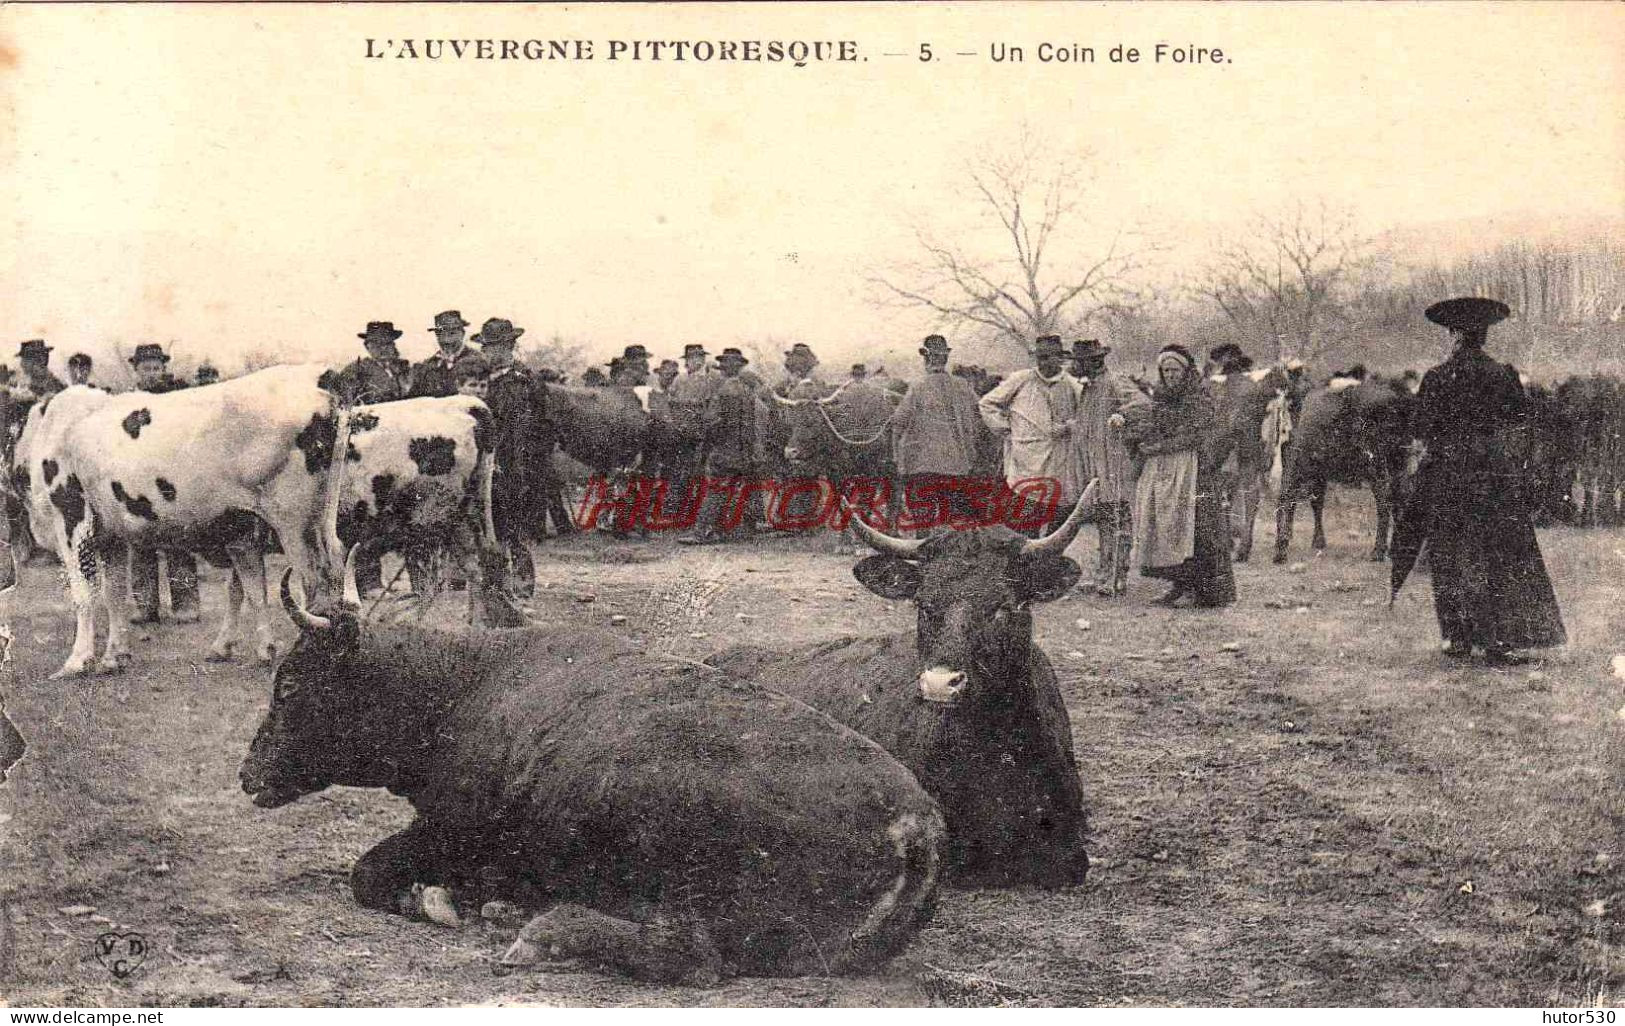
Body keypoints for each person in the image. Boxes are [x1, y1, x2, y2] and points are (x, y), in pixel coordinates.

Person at [1408, 297, 1565, 665]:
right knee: (1501, 551)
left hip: (1448, 474)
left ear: (1454, 334)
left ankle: (1457, 637)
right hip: (1493, 474)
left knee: (1449, 551)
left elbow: (1422, 429)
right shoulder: (1503, 375)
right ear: (1483, 335)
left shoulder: (1435, 378)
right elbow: (1520, 420)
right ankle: (1500, 639)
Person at [1123, 344, 1235, 608]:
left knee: (1195, 529)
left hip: (1194, 471)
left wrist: (1159, 447)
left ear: (1185, 371)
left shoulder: (1199, 396)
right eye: (1165, 371)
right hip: (1167, 469)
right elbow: (1155, 424)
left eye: (1175, 370)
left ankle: (1200, 590)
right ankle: (1177, 584)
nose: (1170, 375)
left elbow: (1197, 435)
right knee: (1168, 526)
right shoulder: (1160, 396)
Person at [977, 335, 1086, 535]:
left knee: (1057, 526)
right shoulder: (1021, 379)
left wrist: (1070, 426)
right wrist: (1006, 430)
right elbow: (986, 404)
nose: (1042, 362)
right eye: (1039, 357)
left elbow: (1086, 417)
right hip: (1025, 466)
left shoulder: (1071, 384)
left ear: (1059, 358)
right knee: (1023, 526)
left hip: (1058, 465)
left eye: (1047, 357)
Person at [126, 343, 200, 624]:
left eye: (157, 368)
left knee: (178, 540)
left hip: (171, 479)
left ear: (164, 369)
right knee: (141, 541)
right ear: (136, 370)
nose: (152, 373)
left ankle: (186, 604)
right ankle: (145, 606)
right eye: (146, 368)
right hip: (137, 479)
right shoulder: (127, 402)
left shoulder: (177, 398)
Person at [889, 334, 984, 529]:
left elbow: (898, 422)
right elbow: (980, 413)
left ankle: (926, 555)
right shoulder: (963, 385)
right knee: (955, 524)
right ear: (945, 358)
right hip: (958, 467)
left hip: (921, 468)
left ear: (926, 358)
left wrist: (897, 458)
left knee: (923, 524)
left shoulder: (917, 386)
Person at [475, 318, 540, 596]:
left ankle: (523, 581)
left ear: (510, 347)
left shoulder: (520, 381)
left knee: (513, 523)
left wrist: (505, 459)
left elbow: (522, 427)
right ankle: (496, 580)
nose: (491, 353)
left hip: (514, 460)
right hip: (488, 459)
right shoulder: (483, 380)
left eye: (497, 347)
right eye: (487, 348)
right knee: (490, 521)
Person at [1070, 338, 1138, 596]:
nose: (1076, 367)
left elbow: (1140, 405)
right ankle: (1105, 572)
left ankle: (1117, 575)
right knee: (1104, 518)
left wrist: (1123, 418)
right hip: (1096, 464)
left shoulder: (1115, 382)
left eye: (1080, 362)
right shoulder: (1090, 388)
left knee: (1117, 516)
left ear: (1093, 361)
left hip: (1114, 462)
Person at [680, 348, 762, 545]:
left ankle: (701, 532)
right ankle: (741, 530)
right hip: (744, 450)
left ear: (727, 367)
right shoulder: (747, 391)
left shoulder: (724, 390)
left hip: (725, 450)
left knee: (715, 489)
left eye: (724, 364)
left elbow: (713, 422)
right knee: (741, 488)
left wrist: (708, 442)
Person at [328, 321, 412, 403]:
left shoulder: (403, 368)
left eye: (387, 343)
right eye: (377, 344)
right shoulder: (356, 370)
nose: (383, 349)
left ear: (393, 345)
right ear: (367, 346)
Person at [410, 310, 487, 398]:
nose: (447, 339)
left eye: (452, 333)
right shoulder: (426, 367)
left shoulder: (479, 359)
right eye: (441, 334)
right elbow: (414, 399)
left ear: (462, 333)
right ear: (436, 335)